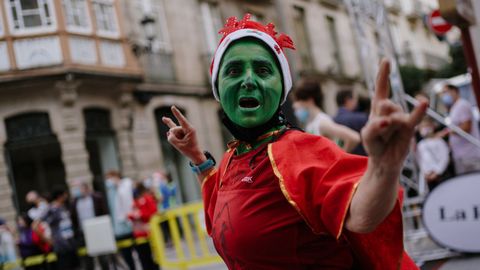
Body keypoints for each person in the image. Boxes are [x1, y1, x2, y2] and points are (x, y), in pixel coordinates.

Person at [162, 14, 424, 269]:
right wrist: (197, 158)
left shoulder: (300, 151)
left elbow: (362, 216)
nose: (249, 80)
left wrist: (384, 166)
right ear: (218, 88)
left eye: (263, 70)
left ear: (281, 88)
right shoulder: (235, 156)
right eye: (233, 70)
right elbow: (219, 213)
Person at [292, 80, 361, 153]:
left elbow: (354, 137)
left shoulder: (322, 122)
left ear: (309, 100)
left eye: (298, 101)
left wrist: (340, 157)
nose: (295, 107)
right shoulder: (311, 123)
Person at [70, 181, 109, 270]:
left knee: (102, 257)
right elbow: (73, 219)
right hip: (83, 233)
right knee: (87, 260)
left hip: (97, 231)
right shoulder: (74, 202)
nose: (77, 191)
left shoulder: (96, 198)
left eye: (79, 189)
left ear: (86, 189)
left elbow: (104, 212)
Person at [441, 84, 480, 174]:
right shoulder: (454, 107)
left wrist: (447, 132)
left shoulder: (462, 105)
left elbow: (466, 127)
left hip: (470, 156)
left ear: (455, 91)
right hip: (462, 156)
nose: (444, 96)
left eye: (445, 92)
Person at [104, 170, 136, 270]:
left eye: (109, 177)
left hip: (130, 224)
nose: (108, 181)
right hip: (119, 229)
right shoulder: (110, 191)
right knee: (126, 254)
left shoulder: (125, 185)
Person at [43, 187, 79, 270]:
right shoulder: (51, 209)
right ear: (60, 196)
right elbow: (35, 225)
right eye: (65, 194)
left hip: (70, 242)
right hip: (60, 245)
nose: (66, 196)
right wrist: (48, 240)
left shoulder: (64, 206)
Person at [128, 182, 159, 270]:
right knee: (143, 258)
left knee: (152, 259)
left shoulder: (147, 198)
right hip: (139, 235)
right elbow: (131, 214)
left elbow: (153, 212)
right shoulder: (135, 201)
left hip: (149, 233)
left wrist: (140, 215)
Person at [416, 117, 450, 190]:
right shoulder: (420, 145)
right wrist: (425, 173)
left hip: (440, 176)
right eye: (422, 126)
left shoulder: (439, 142)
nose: (425, 129)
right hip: (428, 177)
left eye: (427, 126)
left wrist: (437, 172)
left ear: (433, 126)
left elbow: (444, 158)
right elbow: (420, 160)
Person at [334, 89, 369, 155]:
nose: (357, 102)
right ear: (348, 100)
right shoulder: (361, 118)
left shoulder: (331, 120)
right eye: (355, 99)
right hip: (362, 159)